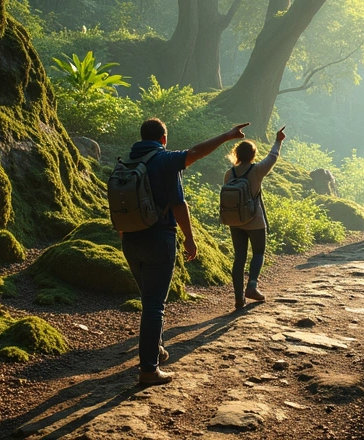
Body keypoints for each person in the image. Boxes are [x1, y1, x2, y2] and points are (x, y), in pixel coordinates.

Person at [122, 117, 249, 386]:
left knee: (149, 300)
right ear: (164, 139)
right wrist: (190, 239)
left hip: (130, 239)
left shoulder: (129, 162)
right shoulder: (165, 160)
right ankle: (148, 369)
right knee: (155, 305)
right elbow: (182, 192)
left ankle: (155, 351)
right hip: (159, 238)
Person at [225, 126, 287, 310]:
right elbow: (273, 157)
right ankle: (252, 286)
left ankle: (238, 298)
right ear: (253, 154)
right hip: (255, 220)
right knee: (258, 252)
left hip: (235, 220)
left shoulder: (230, 173)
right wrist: (278, 140)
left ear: (236, 154)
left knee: (239, 257)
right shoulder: (257, 170)